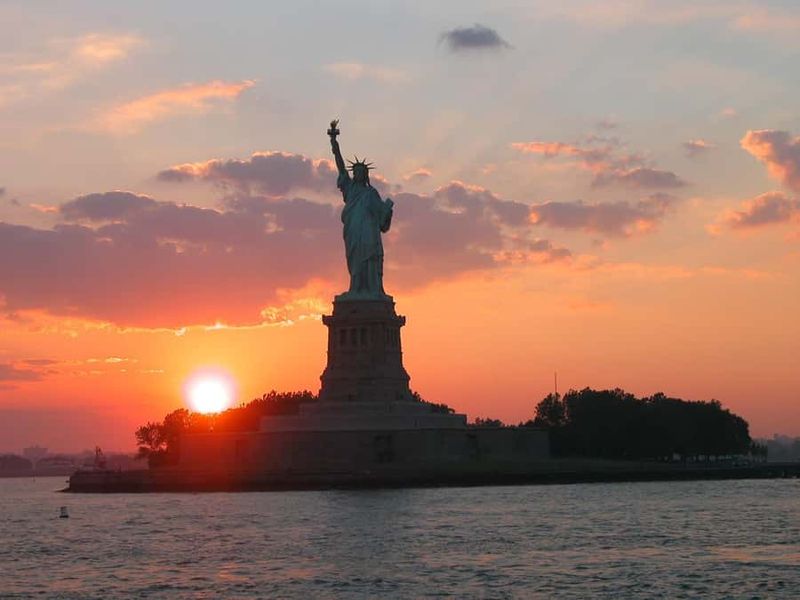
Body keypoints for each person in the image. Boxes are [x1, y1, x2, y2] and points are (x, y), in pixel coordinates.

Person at [328, 120, 394, 299]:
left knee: (371, 258)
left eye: (361, 172)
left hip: (369, 232)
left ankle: (373, 290)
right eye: (355, 171)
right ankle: (356, 289)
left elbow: (382, 219)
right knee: (356, 259)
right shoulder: (349, 189)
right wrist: (334, 142)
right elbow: (341, 166)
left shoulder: (371, 193)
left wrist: (387, 209)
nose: (357, 174)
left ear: (365, 175)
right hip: (354, 230)